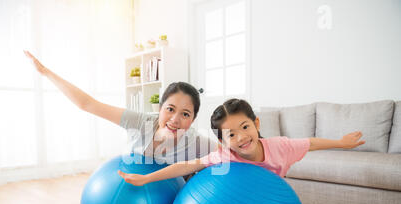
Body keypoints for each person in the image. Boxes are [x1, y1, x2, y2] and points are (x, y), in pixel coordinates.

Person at [23, 50, 216, 177]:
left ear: (192, 119)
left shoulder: (195, 140)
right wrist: (45, 72)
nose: (175, 120)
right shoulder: (140, 122)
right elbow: (88, 104)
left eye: (185, 114)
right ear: (160, 108)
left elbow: (233, 152)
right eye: (170, 109)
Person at [118, 98, 365, 185]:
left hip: (269, 193)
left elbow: (310, 142)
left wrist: (341, 143)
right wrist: (147, 178)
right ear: (223, 142)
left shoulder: (280, 146)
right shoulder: (224, 156)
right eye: (231, 135)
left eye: (245, 127)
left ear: (256, 124)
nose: (241, 138)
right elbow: (188, 165)